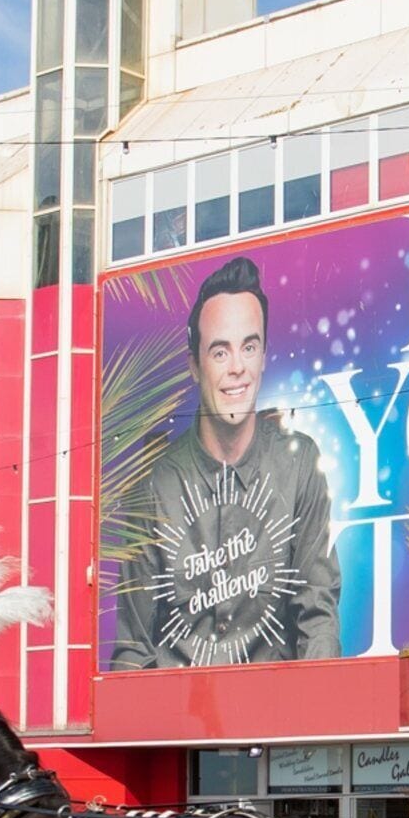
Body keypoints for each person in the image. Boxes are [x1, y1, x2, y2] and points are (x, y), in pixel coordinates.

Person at [109, 256, 343, 669]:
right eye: (220, 352)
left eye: (248, 347)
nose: (237, 368)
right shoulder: (151, 484)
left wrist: (313, 724)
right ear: (194, 366)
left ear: (264, 355)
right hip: (180, 723)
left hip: (274, 721)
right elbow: (134, 648)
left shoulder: (300, 463)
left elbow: (317, 613)